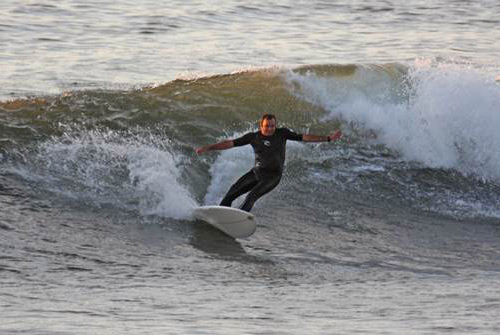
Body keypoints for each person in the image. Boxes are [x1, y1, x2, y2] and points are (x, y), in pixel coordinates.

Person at [195, 114, 342, 212]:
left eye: (272, 126)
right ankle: (221, 216)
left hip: (273, 176)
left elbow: (305, 137)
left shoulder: (282, 133)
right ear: (261, 125)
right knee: (231, 193)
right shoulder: (253, 137)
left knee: (251, 196)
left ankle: (237, 220)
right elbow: (230, 144)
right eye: (267, 126)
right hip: (256, 172)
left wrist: (328, 138)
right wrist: (209, 148)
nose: (270, 128)